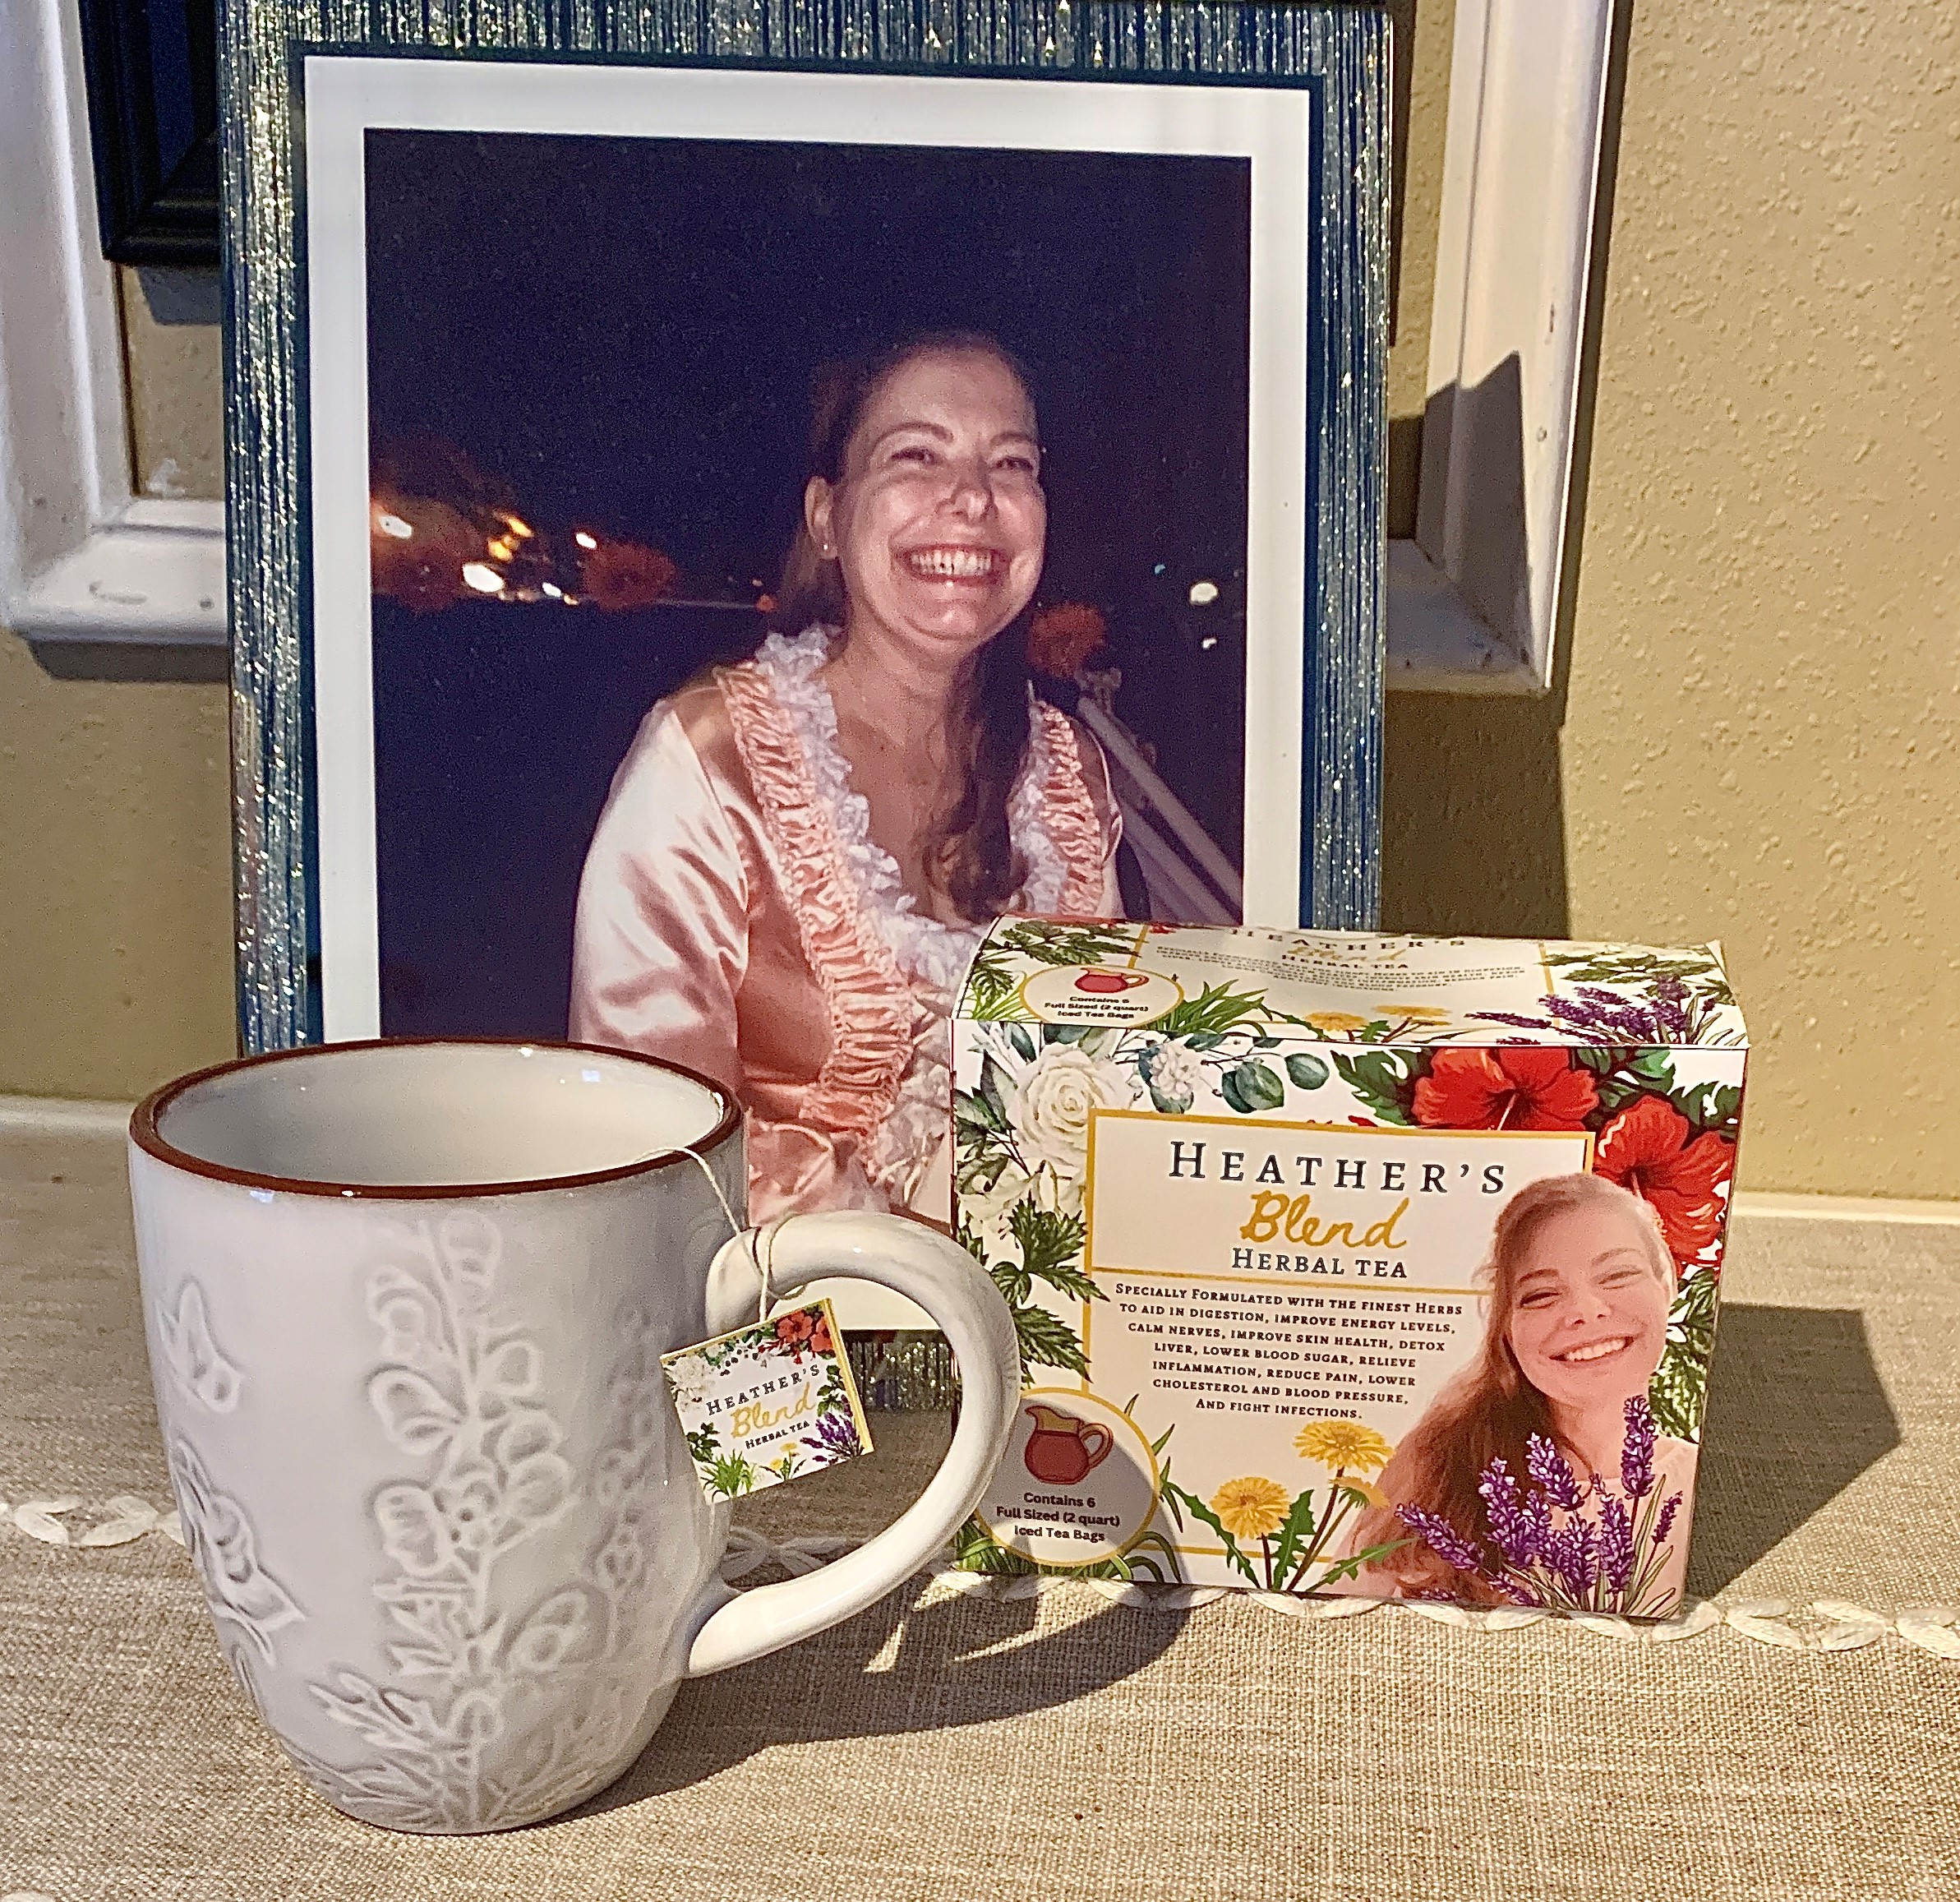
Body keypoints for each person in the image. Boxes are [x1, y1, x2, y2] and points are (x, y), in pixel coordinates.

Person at [570, 332, 1122, 1222]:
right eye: (916, 454)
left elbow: (1110, 1082)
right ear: (828, 515)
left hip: (1028, 1332)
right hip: (781, 1321)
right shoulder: (707, 764)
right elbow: (648, 1142)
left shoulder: (1063, 776)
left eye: (1011, 463)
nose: (973, 499)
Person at [1349, 1172, 1697, 1606]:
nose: (1586, 1312)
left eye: (1618, 1274)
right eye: (1542, 1295)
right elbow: (1344, 1611)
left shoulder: (1698, 1484)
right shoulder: (1436, 1467)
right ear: (1507, 1331)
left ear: (1667, 1288)